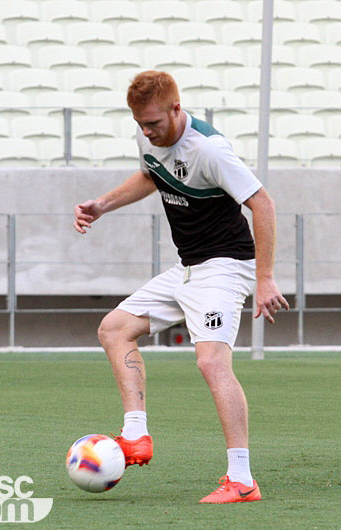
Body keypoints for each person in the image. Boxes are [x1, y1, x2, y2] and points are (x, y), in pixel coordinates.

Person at [73, 70, 289, 503]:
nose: (147, 131)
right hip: (187, 267)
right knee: (114, 328)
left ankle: (242, 480)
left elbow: (261, 203)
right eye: (140, 124)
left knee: (211, 363)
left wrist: (264, 278)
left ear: (176, 108)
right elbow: (151, 176)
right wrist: (103, 205)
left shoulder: (210, 149)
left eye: (154, 122)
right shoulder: (149, 139)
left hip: (226, 267)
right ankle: (135, 434)